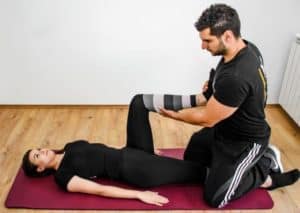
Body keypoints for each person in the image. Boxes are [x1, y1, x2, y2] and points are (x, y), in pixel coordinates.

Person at [128, 4, 299, 208]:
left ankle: (266, 164)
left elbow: (207, 118)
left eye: (207, 40)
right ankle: (231, 166)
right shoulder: (245, 48)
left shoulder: (236, 76)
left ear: (227, 36)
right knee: (192, 157)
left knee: (217, 197)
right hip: (224, 130)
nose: (202, 46)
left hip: (245, 142)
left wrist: (174, 115)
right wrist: (216, 89)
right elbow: (232, 94)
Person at [22, 97, 207, 206]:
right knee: (198, 171)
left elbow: (100, 149)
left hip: (132, 151)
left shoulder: (70, 146)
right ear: (40, 169)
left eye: (38, 149)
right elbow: (100, 190)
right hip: (134, 168)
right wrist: (139, 195)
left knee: (139, 102)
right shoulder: (62, 176)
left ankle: (200, 98)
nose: (42, 150)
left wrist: (146, 150)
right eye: (37, 155)